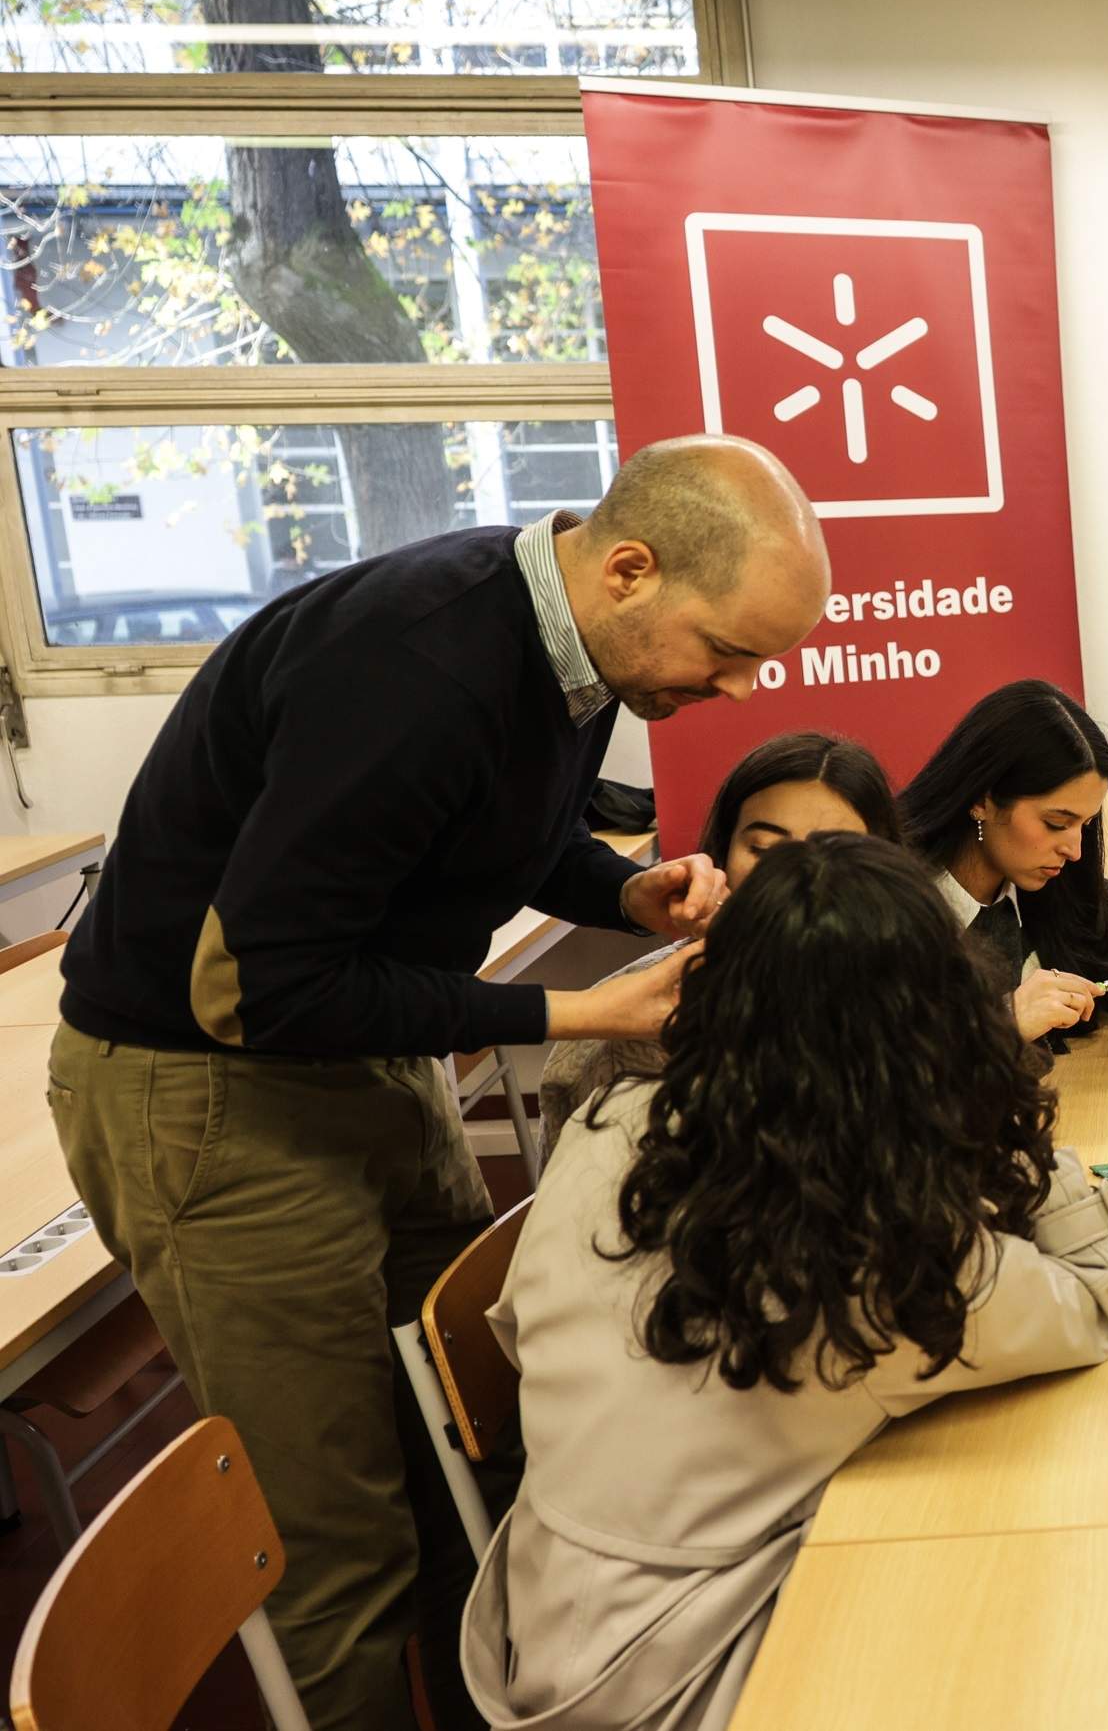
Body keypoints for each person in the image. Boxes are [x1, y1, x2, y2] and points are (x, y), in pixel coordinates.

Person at [47, 434, 827, 1731]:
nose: (744, 689)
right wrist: (572, 1006)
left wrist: (618, 888)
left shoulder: (564, 646)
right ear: (630, 568)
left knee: (474, 1434)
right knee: (336, 1539)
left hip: (358, 1051)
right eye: (730, 651)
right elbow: (260, 985)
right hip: (209, 1085)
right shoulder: (413, 661)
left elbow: (487, 829)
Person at [460, 833, 1108, 1731]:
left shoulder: (613, 1121)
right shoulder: (877, 1238)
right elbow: (1087, 1300)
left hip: (534, 1638)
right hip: (694, 1679)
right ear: (931, 1026)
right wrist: (991, 1096)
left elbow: (519, 1332)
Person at [535, 730, 902, 1146]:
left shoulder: (928, 1000)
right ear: (722, 853)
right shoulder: (634, 1040)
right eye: (763, 849)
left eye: (835, 850)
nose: (798, 875)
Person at [895, 679, 1108, 1051]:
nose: (1075, 850)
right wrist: (1002, 1023)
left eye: (1087, 824)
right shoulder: (885, 909)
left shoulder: (1052, 887)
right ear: (982, 801)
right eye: (1056, 823)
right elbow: (866, 1074)